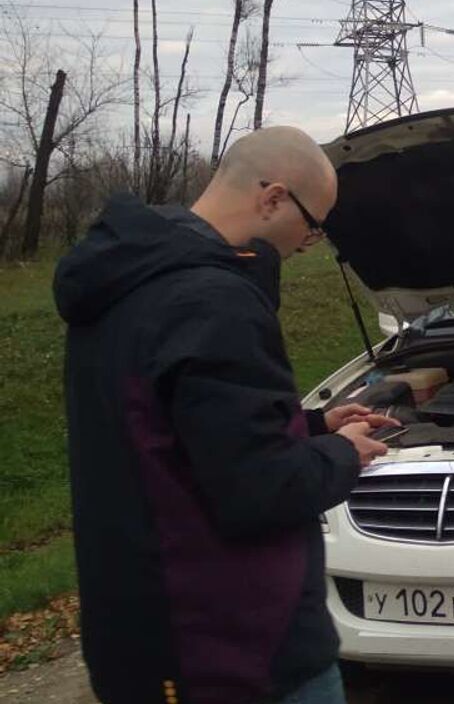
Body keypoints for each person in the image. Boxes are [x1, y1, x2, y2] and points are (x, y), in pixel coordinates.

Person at [54, 126, 391, 704]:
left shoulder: (126, 280)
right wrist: (343, 454)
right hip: (236, 652)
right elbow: (264, 489)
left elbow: (174, 430)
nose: (312, 241)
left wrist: (313, 426)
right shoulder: (215, 301)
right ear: (273, 197)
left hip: (143, 639)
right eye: (314, 224)